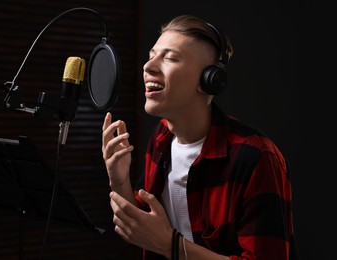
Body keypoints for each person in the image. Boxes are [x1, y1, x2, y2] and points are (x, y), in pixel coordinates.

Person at [101, 14, 298, 260]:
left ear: (209, 80)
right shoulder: (161, 138)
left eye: (170, 58)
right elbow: (141, 232)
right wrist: (118, 180)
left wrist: (169, 245)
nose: (148, 66)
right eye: (151, 55)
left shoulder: (257, 158)